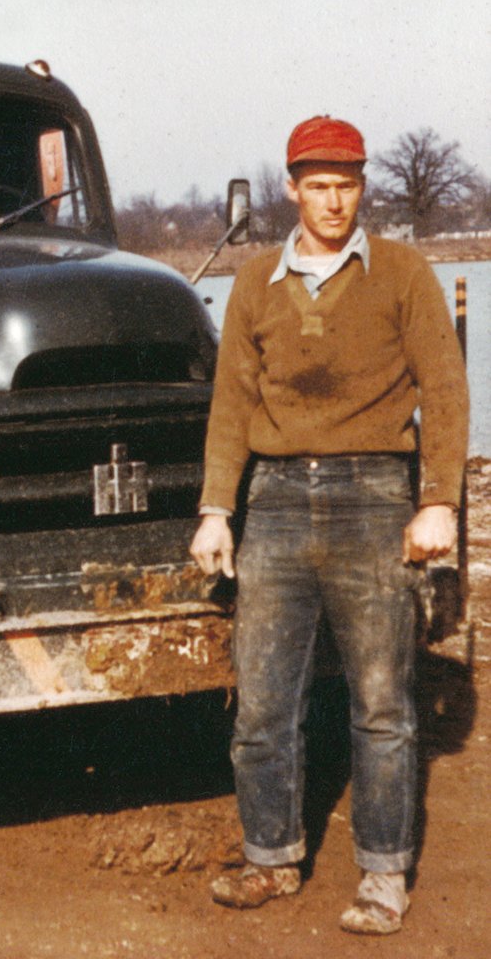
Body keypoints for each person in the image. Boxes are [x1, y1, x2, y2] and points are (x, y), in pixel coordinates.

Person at [189, 115, 469, 936]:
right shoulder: (252, 284)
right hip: (273, 502)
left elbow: (444, 392)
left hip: (373, 496)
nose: (333, 201)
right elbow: (232, 403)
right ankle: (269, 857)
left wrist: (436, 501)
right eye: (317, 185)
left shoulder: (403, 273)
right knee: (262, 706)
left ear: (361, 187)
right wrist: (215, 509)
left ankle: (382, 875)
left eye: (345, 184)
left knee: (381, 703)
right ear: (291, 189)